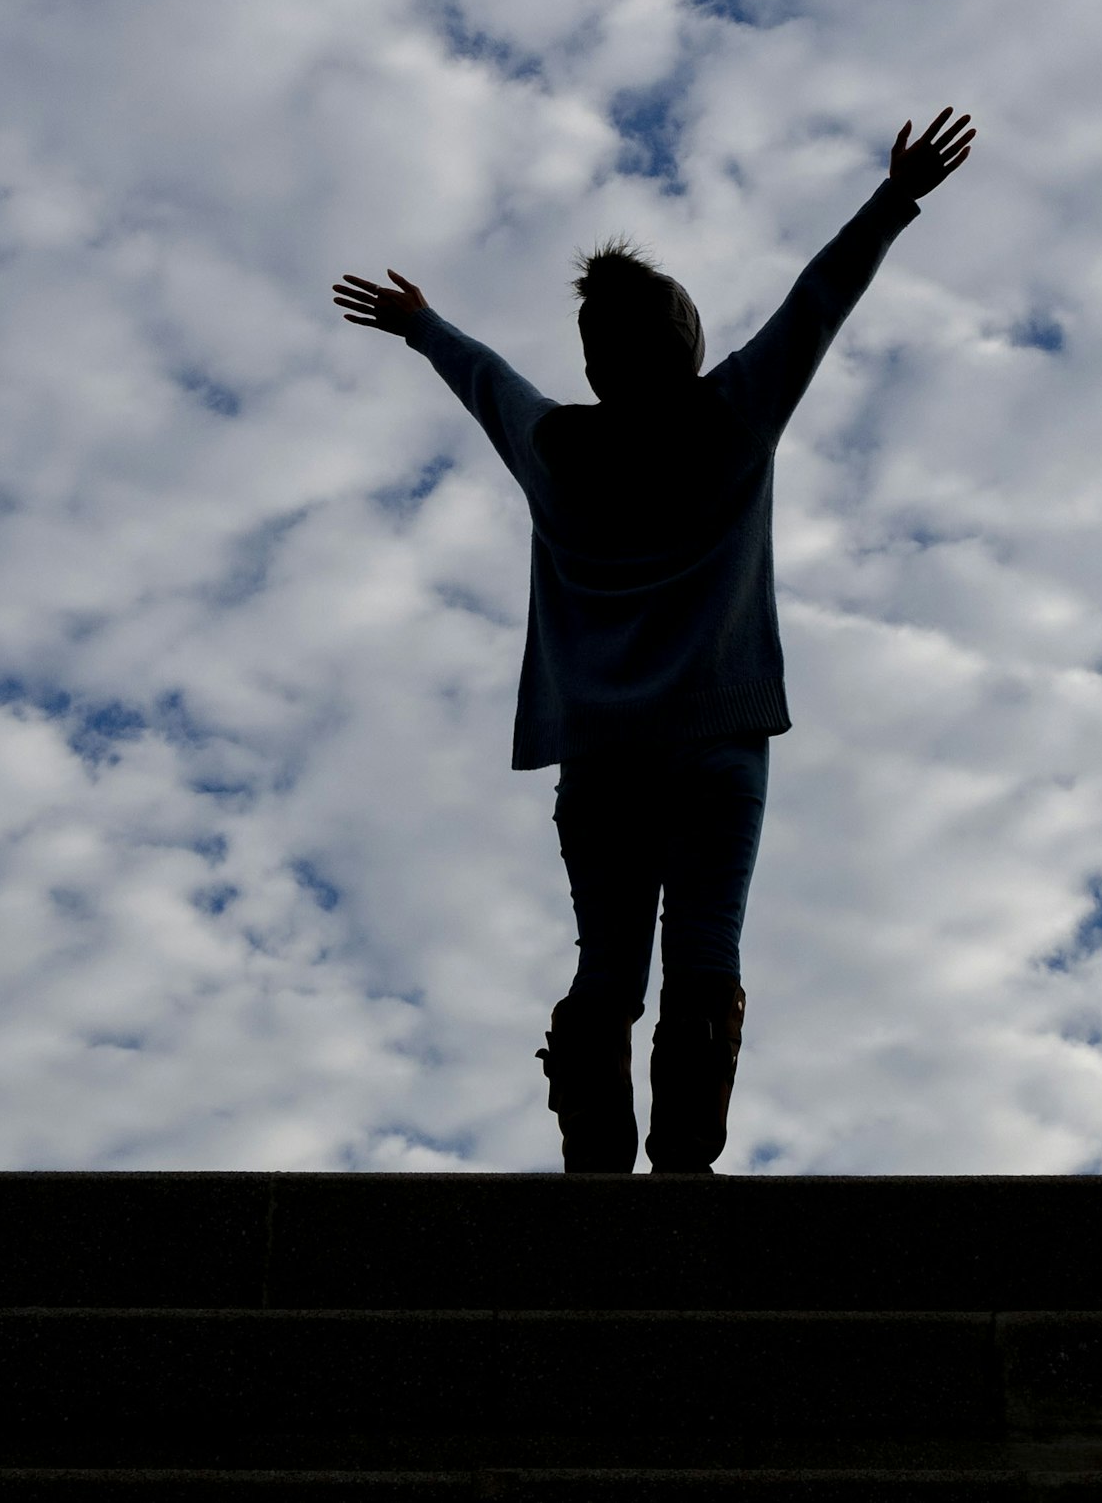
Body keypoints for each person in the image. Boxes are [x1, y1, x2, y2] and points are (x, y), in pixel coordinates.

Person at [332, 107, 976, 1173]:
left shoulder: (551, 445)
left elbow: (486, 381)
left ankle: (596, 1154)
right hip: (719, 745)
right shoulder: (733, 414)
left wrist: (423, 325)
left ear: (593, 359)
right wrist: (895, 194)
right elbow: (819, 299)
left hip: (599, 759)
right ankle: (682, 1160)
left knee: (609, 968)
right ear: (690, 345)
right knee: (704, 954)